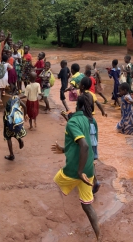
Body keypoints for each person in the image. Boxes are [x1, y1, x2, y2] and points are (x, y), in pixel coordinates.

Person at [51, 91, 100, 241]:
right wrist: (64, 149)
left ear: (77, 105)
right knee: (87, 205)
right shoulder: (87, 120)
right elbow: (80, 144)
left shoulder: (72, 122)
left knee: (55, 182)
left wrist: (79, 172)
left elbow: (84, 146)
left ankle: (57, 216)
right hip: (89, 169)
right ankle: (99, 236)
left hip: (75, 170)